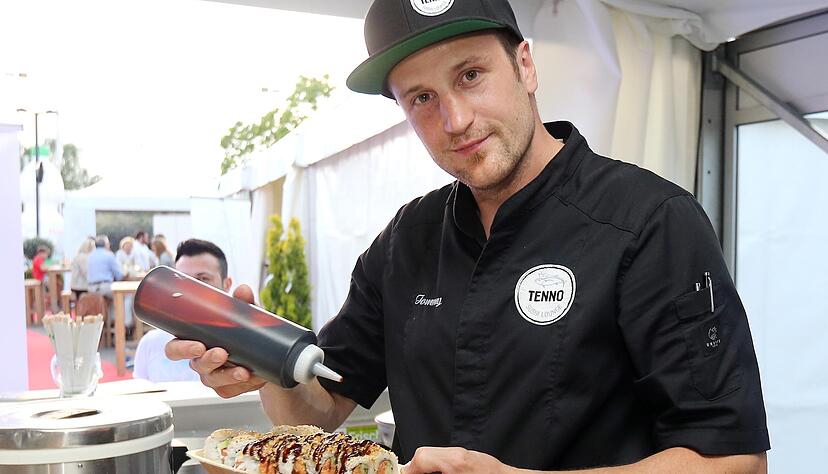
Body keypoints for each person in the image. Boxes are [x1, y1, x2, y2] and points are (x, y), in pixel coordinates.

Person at [168, 0, 770, 472]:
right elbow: (323, 409)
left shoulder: (652, 221)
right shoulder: (408, 239)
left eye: (471, 75)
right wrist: (268, 369)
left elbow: (732, 459)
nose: (454, 121)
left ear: (526, 66)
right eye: (422, 98)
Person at [133, 239, 231, 382]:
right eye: (182, 280)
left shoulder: (242, 347)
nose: (190, 290)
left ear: (226, 284)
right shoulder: (151, 342)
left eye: (203, 279)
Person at [86, 235, 123, 300]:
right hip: (105, 287)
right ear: (106, 244)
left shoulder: (89, 256)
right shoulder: (109, 255)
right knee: (121, 297)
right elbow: (119, 275)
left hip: (91, 288)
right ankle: (112, 310)